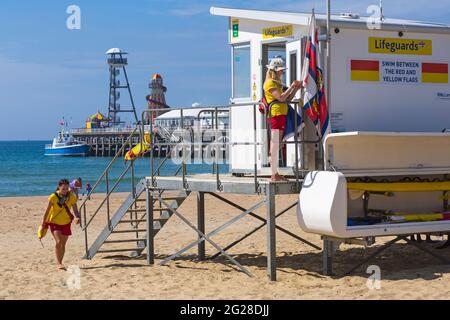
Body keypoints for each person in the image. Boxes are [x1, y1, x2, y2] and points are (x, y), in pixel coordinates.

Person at [263, 57, 302, 181]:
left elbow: (286, 98)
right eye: (281, 70)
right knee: (275, 144)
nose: (282, 72)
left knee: (277, 143)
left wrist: (294, 89)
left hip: (281, 114)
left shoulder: (276, 83)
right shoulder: (269, 83)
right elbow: (280, 98)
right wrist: (291, 87)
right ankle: (274, 174)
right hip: (276, 115)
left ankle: (275, 173)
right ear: (274, 70)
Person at [40, 179, 80, 270]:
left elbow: (75, 209)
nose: (65, 191)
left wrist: (78, 217)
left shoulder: (72, 196)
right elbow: (47, 211)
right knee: (59, 242)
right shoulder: (53, 197)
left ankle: (60, 262)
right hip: (54, 222)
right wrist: (43, 224)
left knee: (63, 244)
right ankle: (59, 263)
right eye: (63, 189)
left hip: (66, 222)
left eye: (66, 189)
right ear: (59, 187)